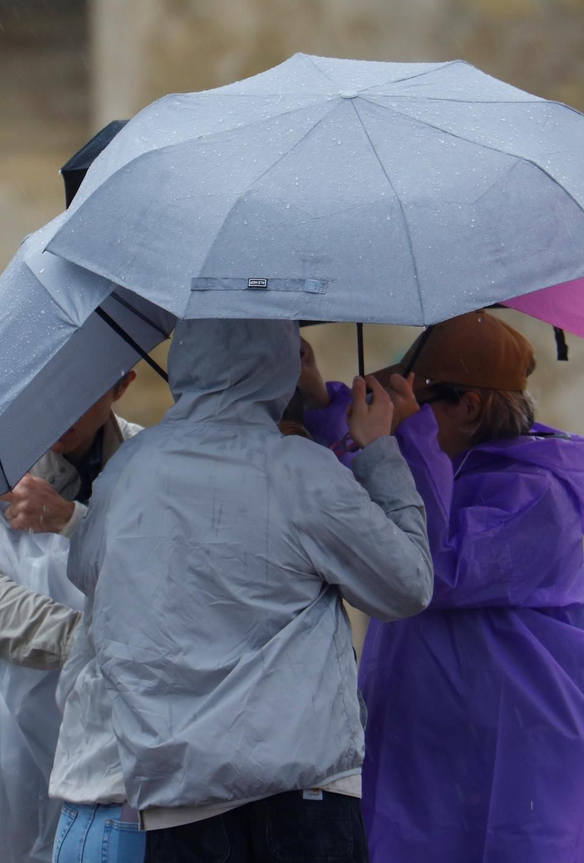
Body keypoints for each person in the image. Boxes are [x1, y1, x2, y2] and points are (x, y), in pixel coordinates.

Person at [66, 319, 433, 863]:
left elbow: (85, 572)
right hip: (300, 799)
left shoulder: (126, 472)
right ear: (277, 365)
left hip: (178, 801)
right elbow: (409, 585)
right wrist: (378, 449)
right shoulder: (300, 470)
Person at [302, 311, 584, 863]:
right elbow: (356, 482)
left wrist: (406, 440)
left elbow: (430, 566)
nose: (398, 418)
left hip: (515, 770)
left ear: (469, 407)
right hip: (430, 758)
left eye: (413, 403)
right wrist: (318, 400)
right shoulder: (445, 467)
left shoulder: (540, 495)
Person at [0, 371, 138, 863]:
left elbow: (167, 575)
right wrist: (86, 639)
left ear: (120, 385)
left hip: (123, 749)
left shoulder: (146, 463)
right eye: (46, 388)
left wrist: (72, 521)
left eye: (80, 389)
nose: (60, 409)